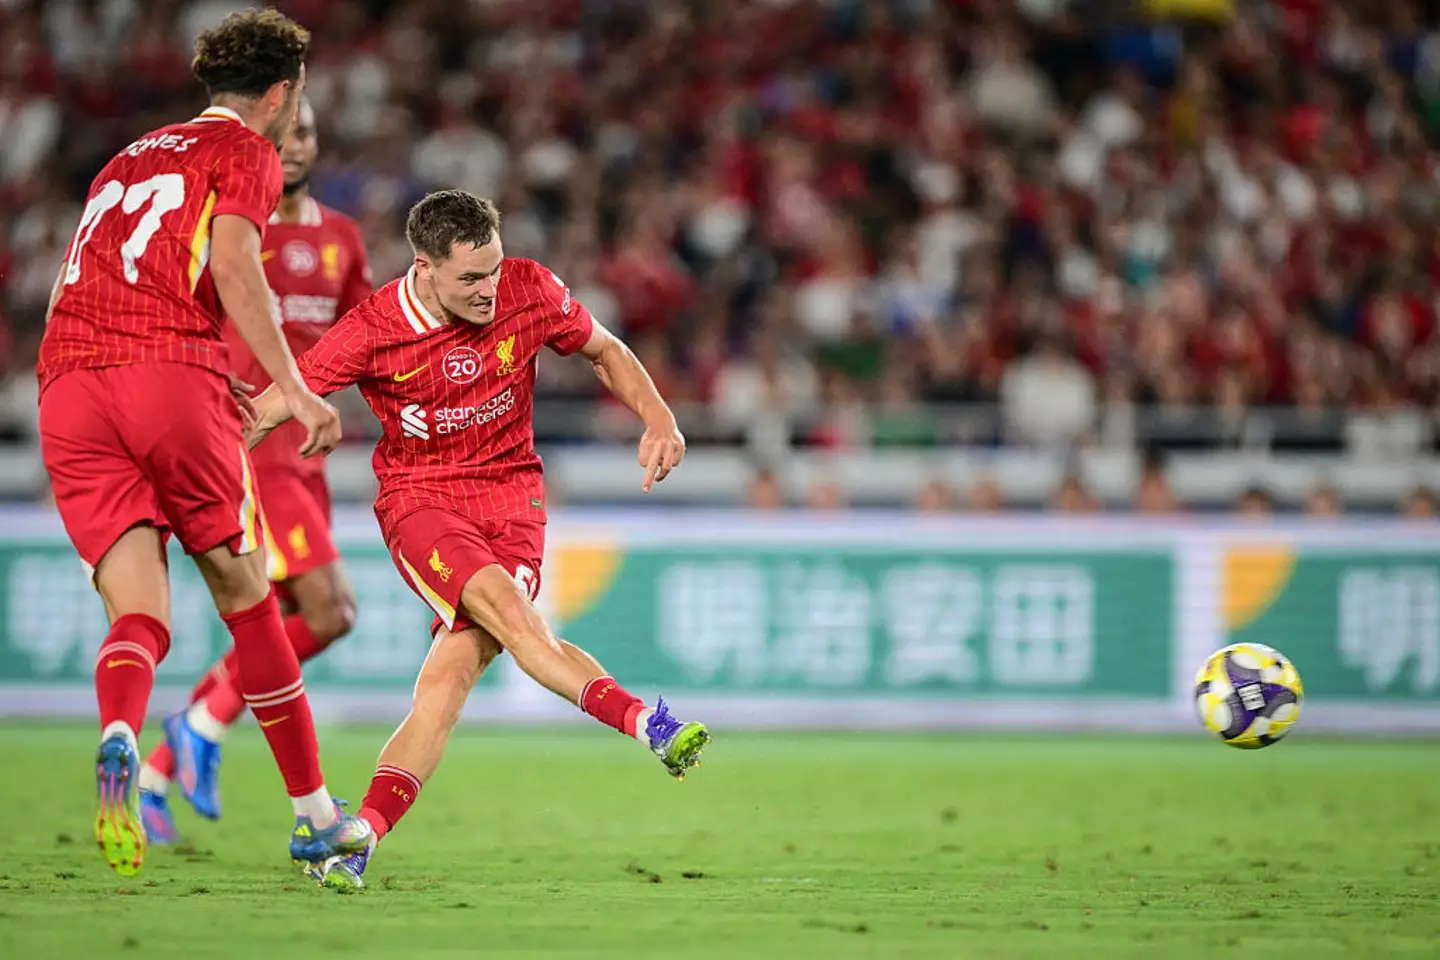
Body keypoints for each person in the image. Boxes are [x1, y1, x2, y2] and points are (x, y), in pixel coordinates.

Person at [247, 190, 710, 890]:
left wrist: (658, 418)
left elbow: (603, 350)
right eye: (470, 278)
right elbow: (278, 402)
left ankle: (357, 836)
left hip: (514, 501)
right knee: (514, 618)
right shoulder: (373, 328)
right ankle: (648, 722)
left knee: (449, 679)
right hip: (423, 502)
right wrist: (201, 452)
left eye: (492, 270)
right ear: (424, 267)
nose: (489, 290)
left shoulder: (527, 287)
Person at [35, 9, 372, 877]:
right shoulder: (247, 152)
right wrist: (293, 391)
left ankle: (120, 734)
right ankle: (314, 816)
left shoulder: (130, 156)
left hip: (67, 381)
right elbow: (232, 265)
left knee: (139, 613)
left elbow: (74, 281)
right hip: (168, 375)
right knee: (249, 595)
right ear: (282, 93)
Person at [138, 98, 373, 843]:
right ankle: (200, 723)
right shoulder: (232, 223)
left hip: (306, 457)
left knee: (277, 625)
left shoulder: (342, 238)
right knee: (331, 612)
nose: (296, 144)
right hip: (248, 441)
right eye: (287, 131)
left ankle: (162, 762)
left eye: (308, 131)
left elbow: (368, 336)